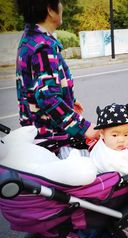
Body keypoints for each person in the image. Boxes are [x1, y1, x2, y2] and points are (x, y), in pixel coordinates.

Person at [15, 0, 99, 151]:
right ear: (50, 10)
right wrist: (83, 127)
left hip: (34, 132)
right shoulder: (44, 47)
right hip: (50, 138)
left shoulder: (30, 39)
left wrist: (69, 100)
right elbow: (48, 97)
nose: (62, 7)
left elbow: (37, 87)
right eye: (59, 2)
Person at [90, 97, 128, 176]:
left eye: (126, 134)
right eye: (115, 135)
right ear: (101, 133)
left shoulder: (106, 143)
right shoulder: (111, 160)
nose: (121, 140)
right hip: (111, 182)